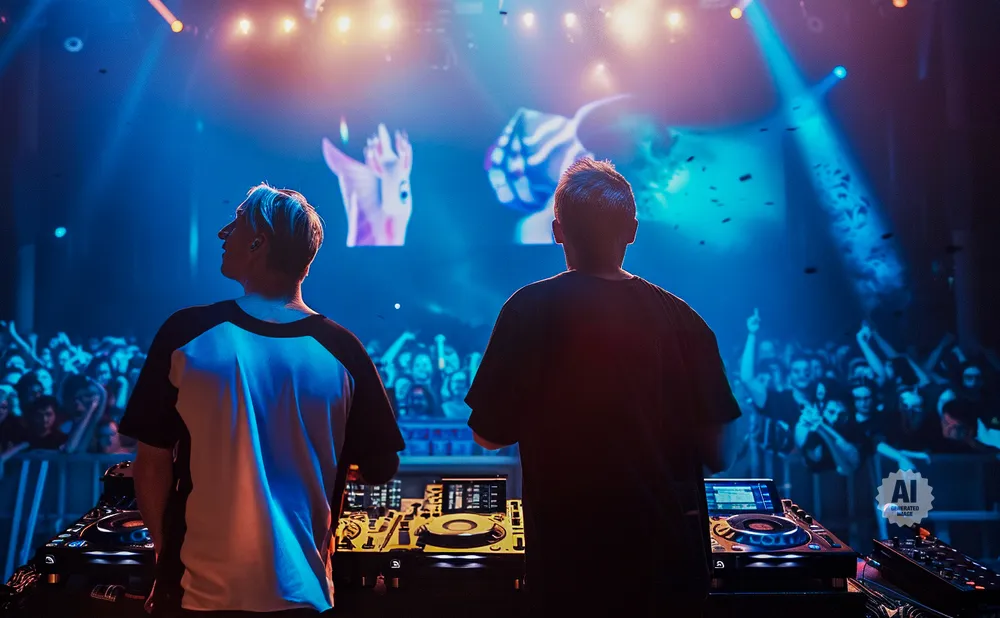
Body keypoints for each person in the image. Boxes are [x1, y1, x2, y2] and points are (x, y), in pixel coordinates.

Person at [465, 158, 742, 617]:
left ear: (557, 231)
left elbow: (488, 434)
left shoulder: (527, 310)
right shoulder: (683, 319)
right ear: (632, 230)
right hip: (668, 568)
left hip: (569, 568)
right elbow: (721, 453)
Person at [118, 183, 405, 618]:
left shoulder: (187, 334)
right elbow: (380, 466)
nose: (223, 233)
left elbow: (152, 461)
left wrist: (166, 559)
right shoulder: (344, 351)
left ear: (258, 242)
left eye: (235, 223)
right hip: (304, 593)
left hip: (198, 593)